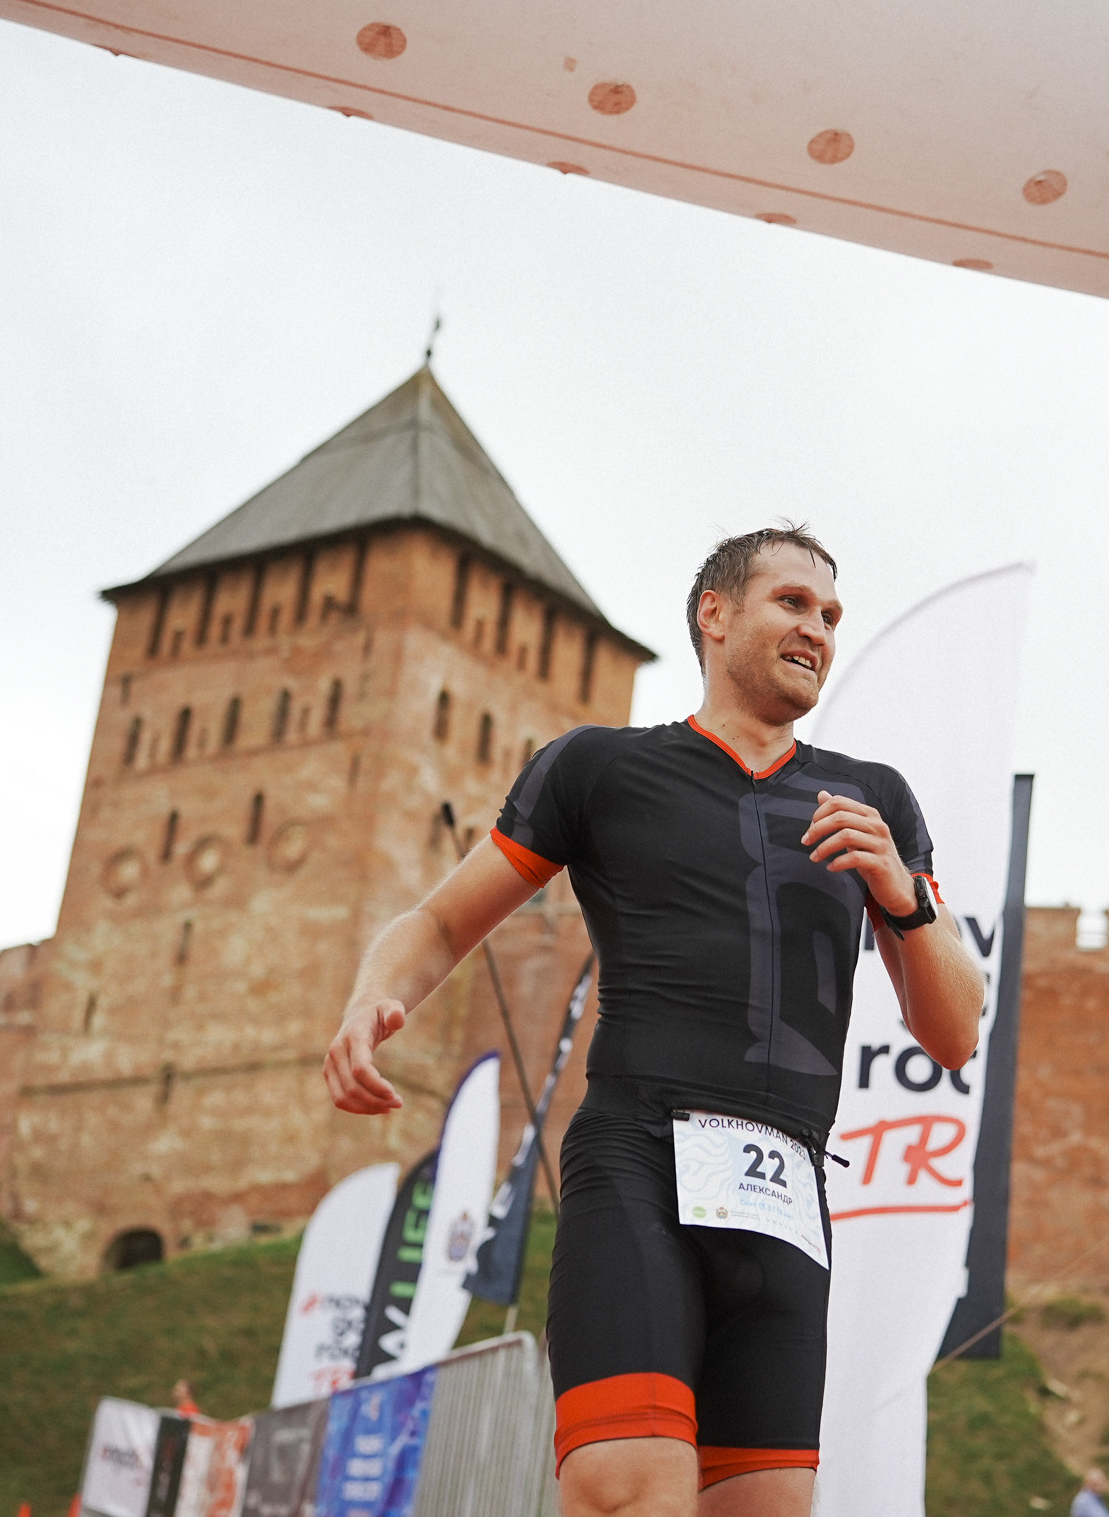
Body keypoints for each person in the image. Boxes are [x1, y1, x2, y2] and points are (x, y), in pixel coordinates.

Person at [325, 525, 984, 1517]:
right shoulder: (598, 770)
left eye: (832, 616)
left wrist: (905, 894)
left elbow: (954, 1032)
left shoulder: (875, 799)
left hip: (786, 1196)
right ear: (713, 615)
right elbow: (438, 920)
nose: (819, 629)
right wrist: (372, 1000)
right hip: (638, 1161)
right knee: (631, 1490)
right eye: (793, 604)